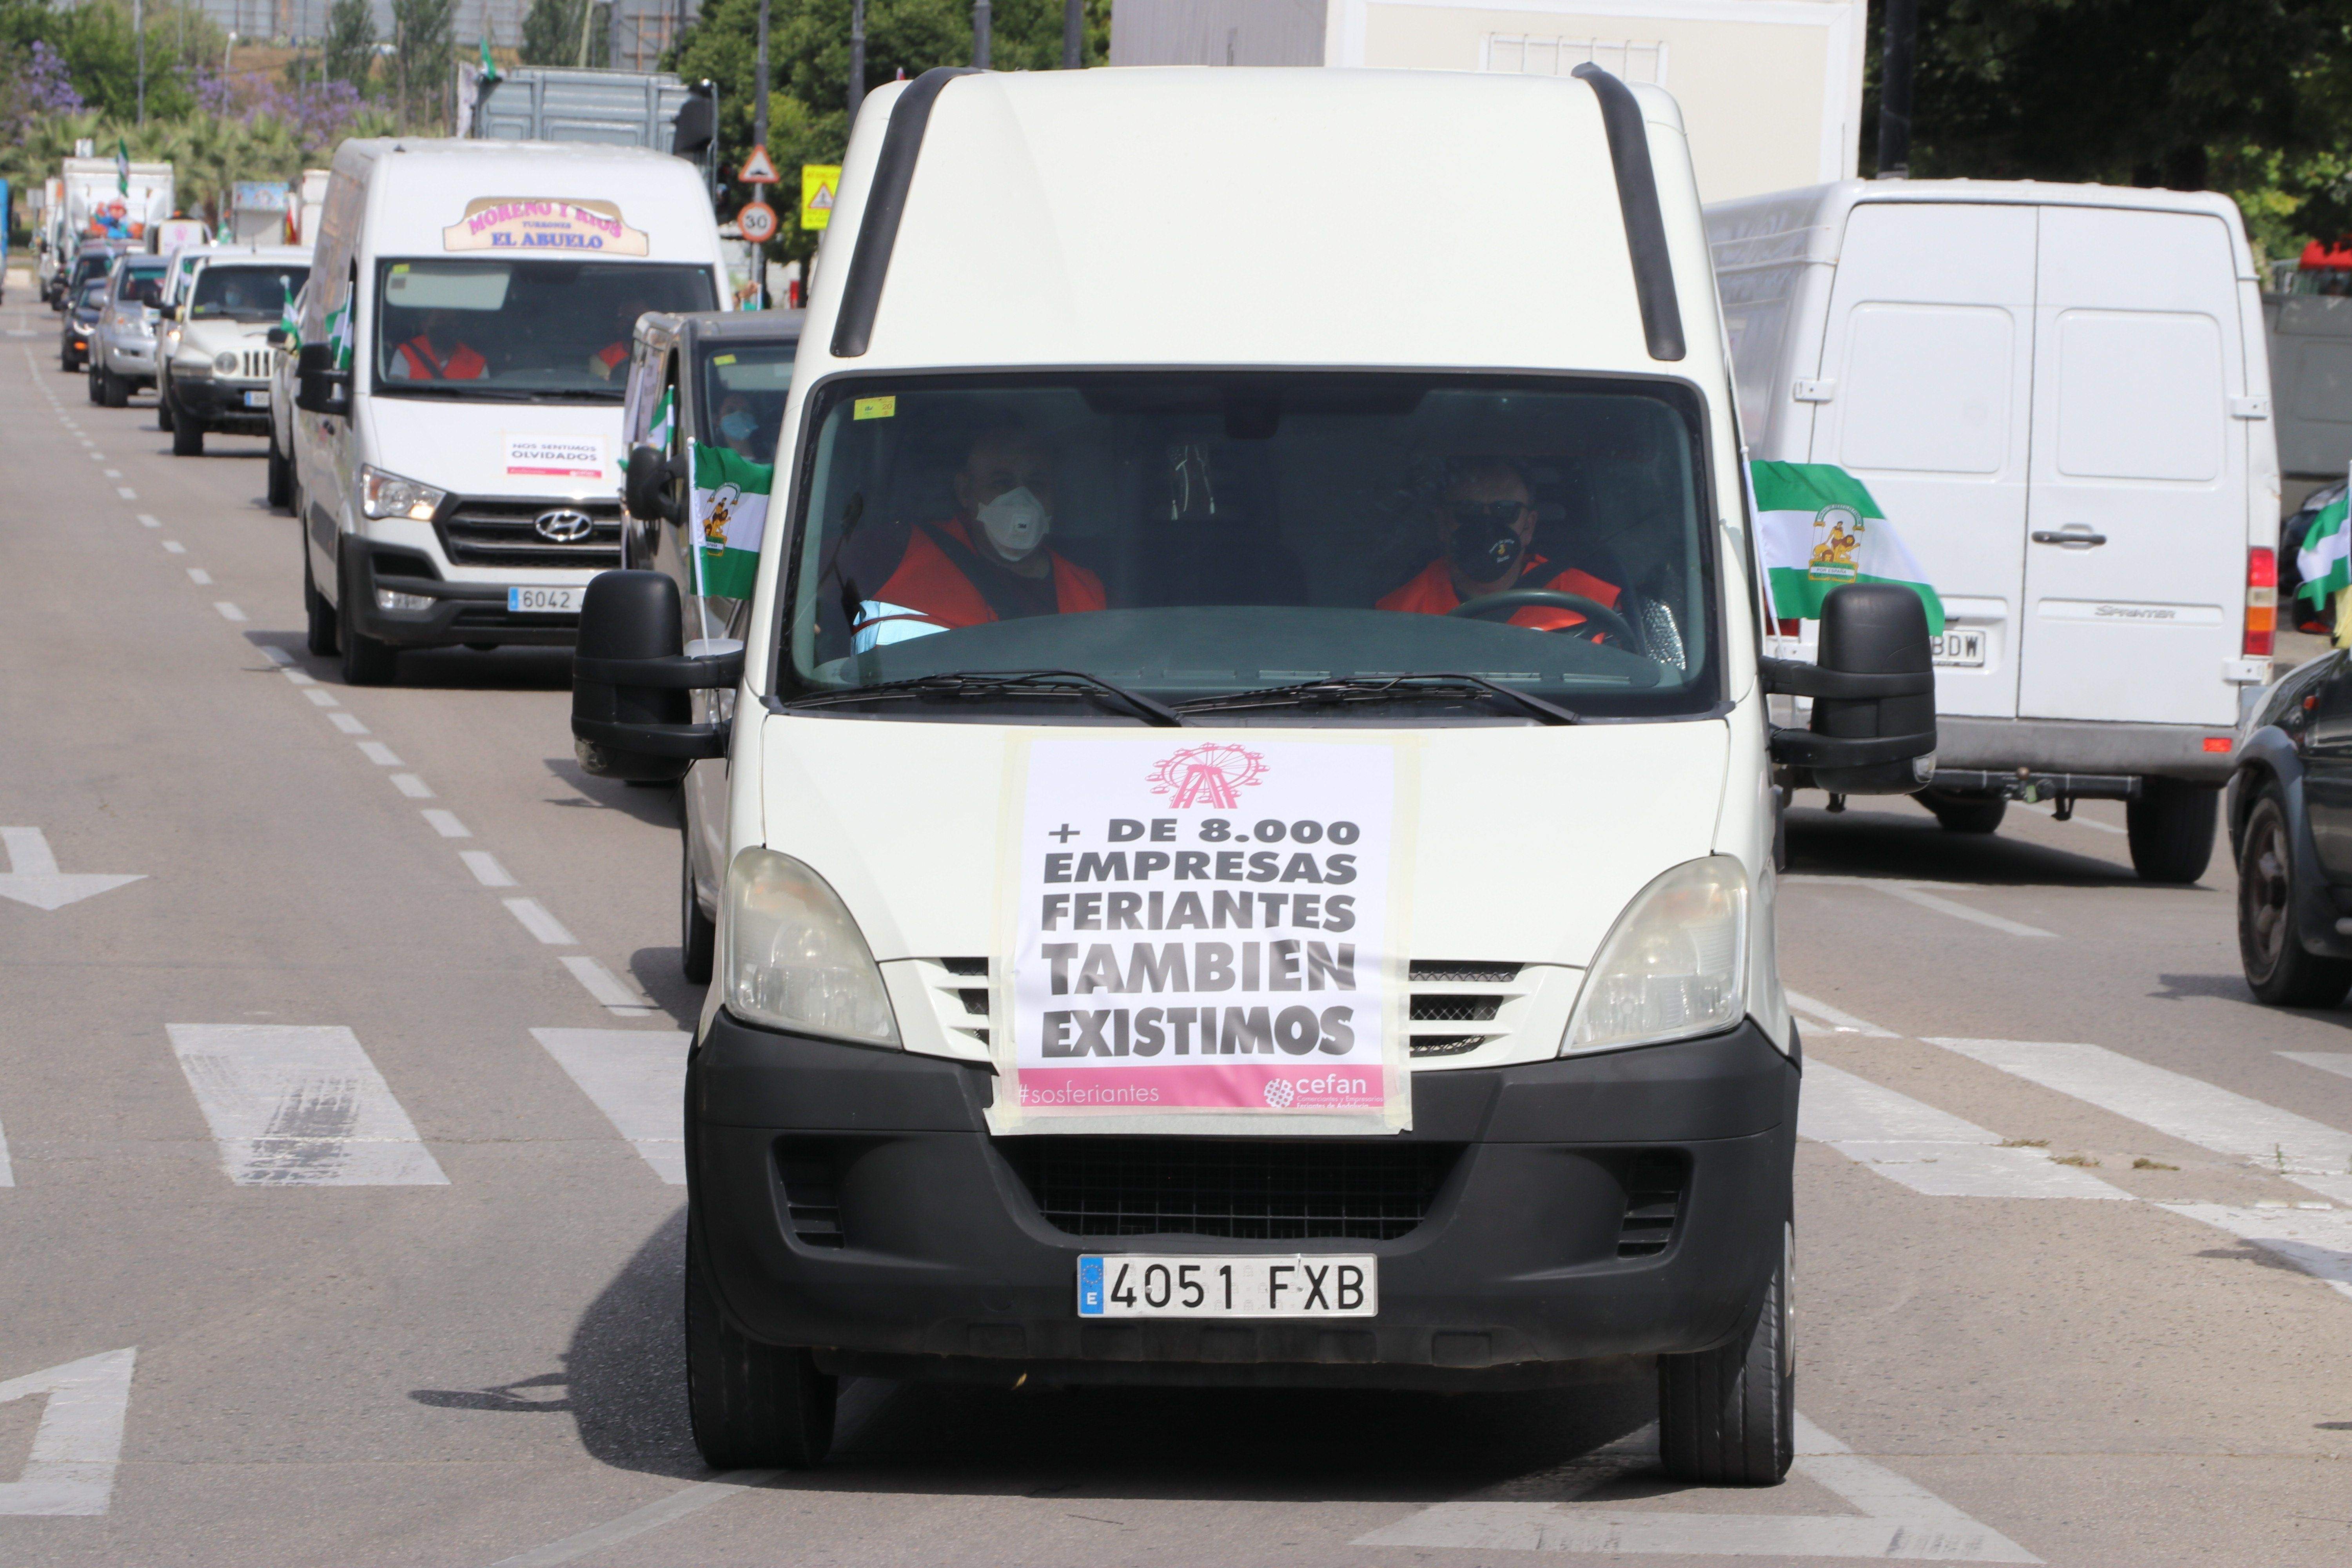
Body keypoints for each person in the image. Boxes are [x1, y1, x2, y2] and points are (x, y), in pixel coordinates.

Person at [849, 425, 1106, 652]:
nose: (1021, 499)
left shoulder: (1087, 589)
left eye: (1036, 484)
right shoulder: (897, 551)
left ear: (1054, 495)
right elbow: (814, 576)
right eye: (1002, 483)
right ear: (966, 492)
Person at [1377, 457, 1622, 634]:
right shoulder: (1397, 616)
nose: (1486, 525)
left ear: (1528, 526)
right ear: (1443, 523)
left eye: (1504, 511)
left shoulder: (1595, 602)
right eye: (1467, 512)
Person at [390, 309, 486, 381]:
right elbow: (395, 393)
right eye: (441, 320)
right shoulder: (407, 353)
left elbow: (483, 401)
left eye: (452, 321)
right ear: (425, 325)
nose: (447, 326)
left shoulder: (477, 362)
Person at [588, 297, 651, 381]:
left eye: (641, 319)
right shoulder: (604, 359)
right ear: (618, 324)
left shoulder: (665, 355)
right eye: (630, 318)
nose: (636, 324)